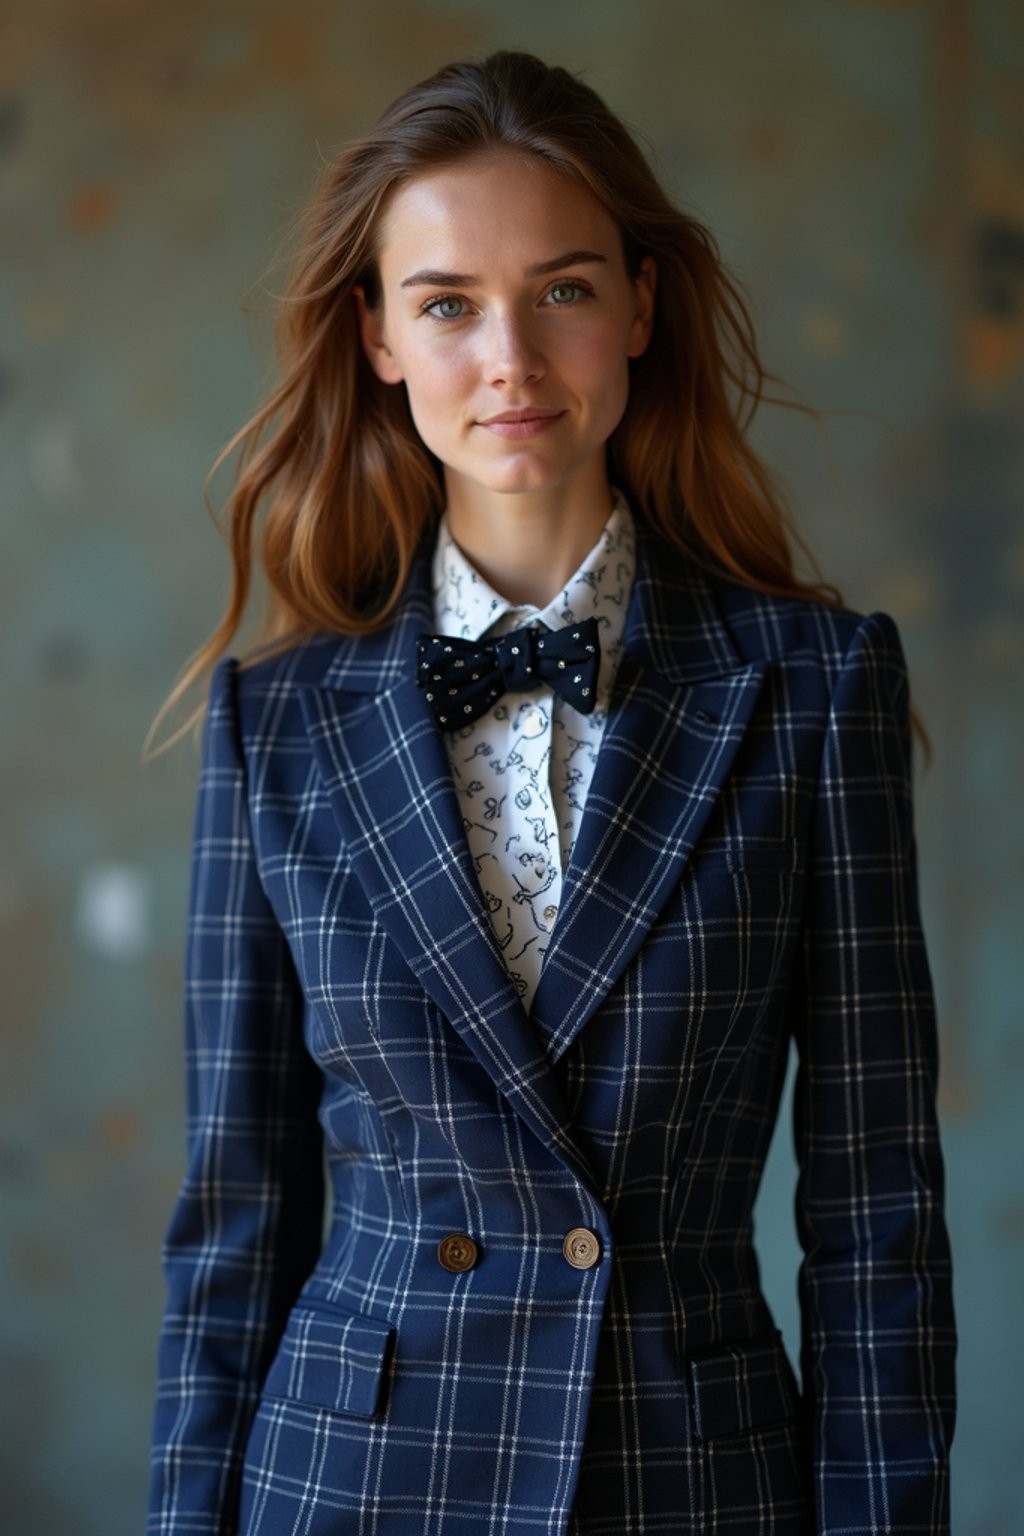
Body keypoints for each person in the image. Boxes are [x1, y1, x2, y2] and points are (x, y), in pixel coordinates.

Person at [144, 49, 956, 1536]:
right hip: (348, 1485)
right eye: (447, 303)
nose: (508, 358)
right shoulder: (279, 723)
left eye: (564, 290)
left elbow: (876, 1214)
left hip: (683, 1479)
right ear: (378, 335)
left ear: (642, 306)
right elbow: (234, 1220)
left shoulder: (813, 687)